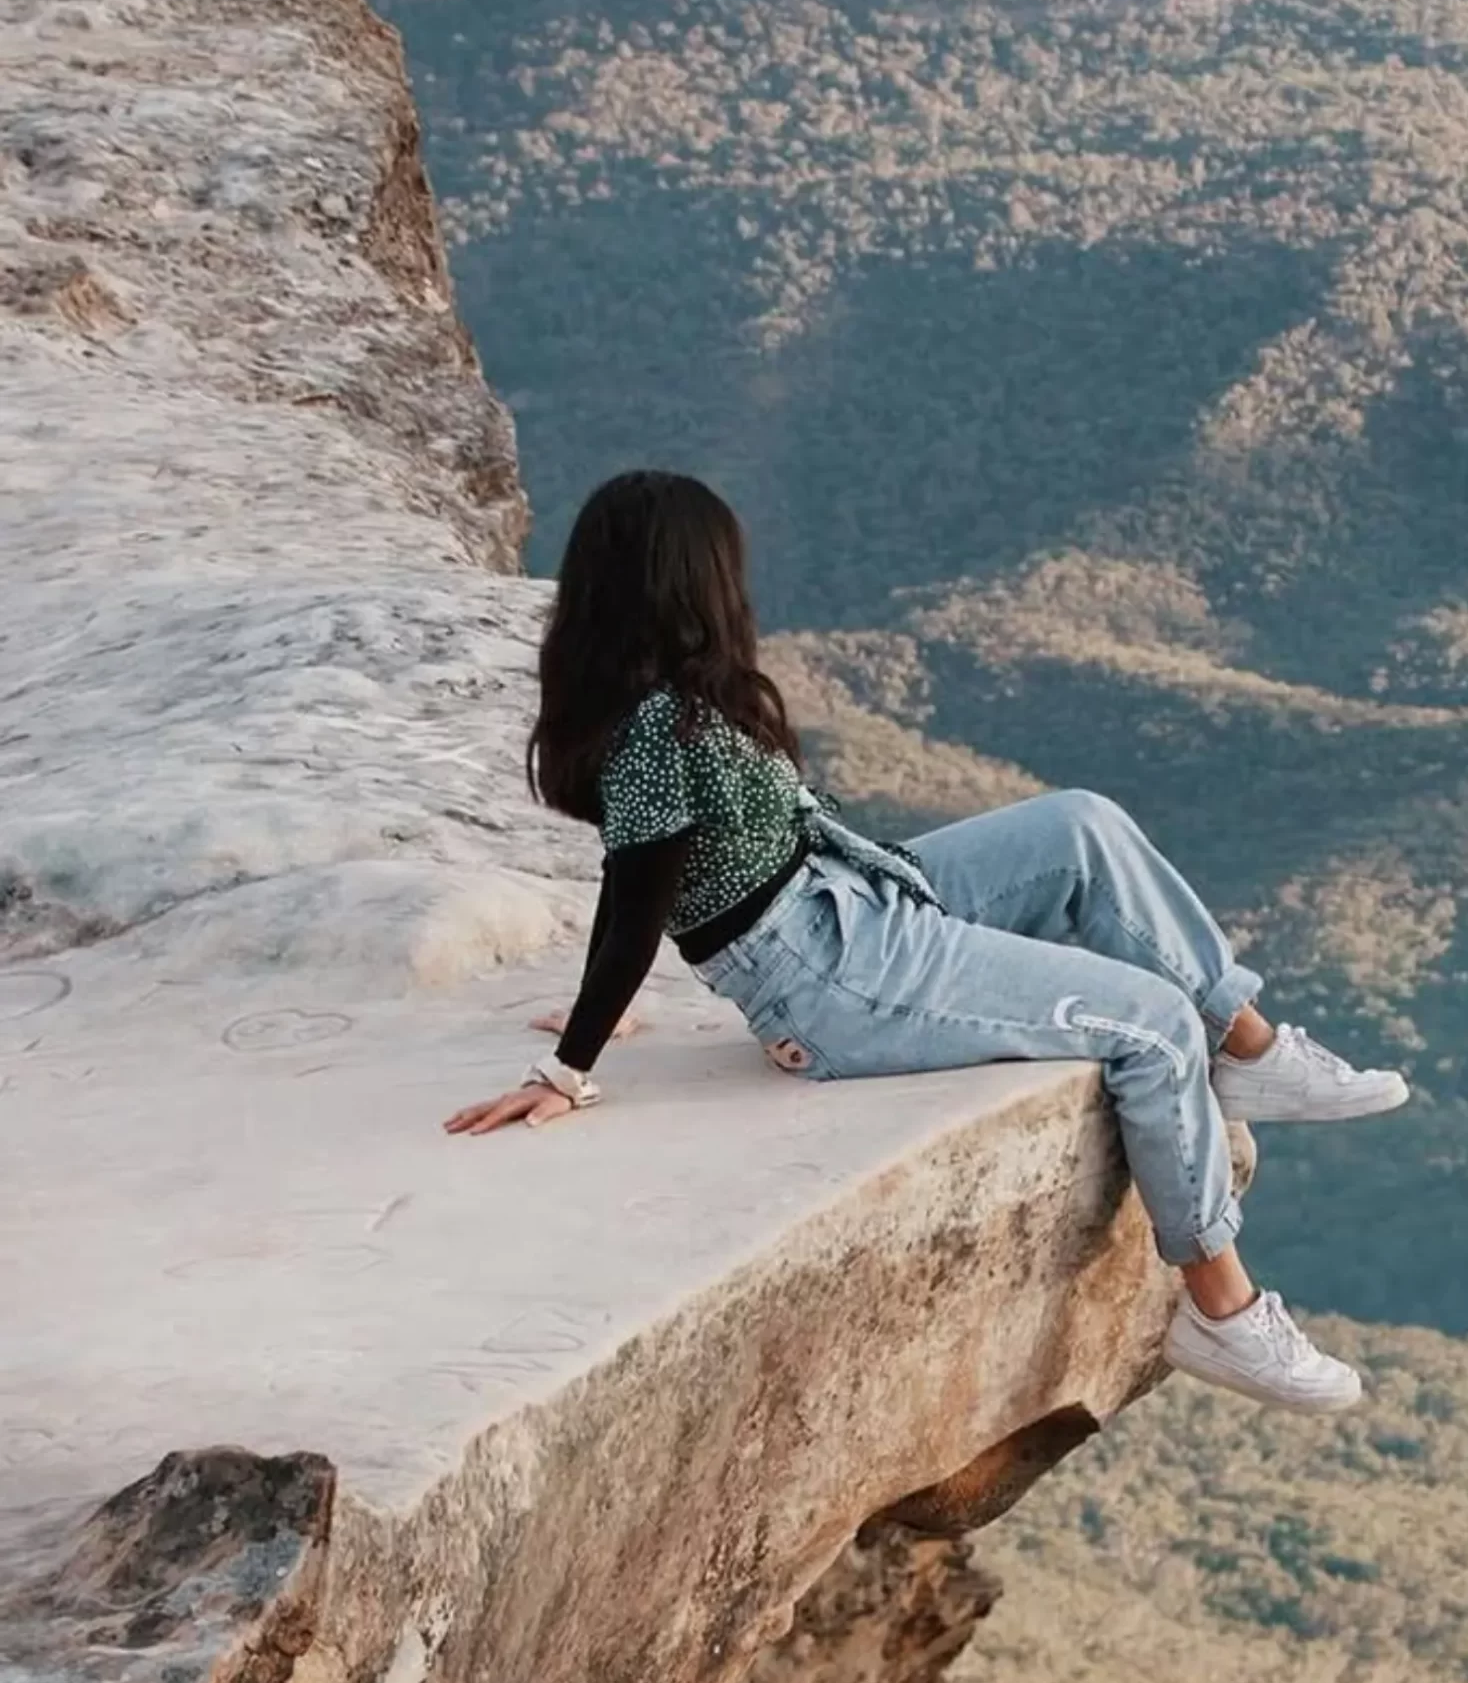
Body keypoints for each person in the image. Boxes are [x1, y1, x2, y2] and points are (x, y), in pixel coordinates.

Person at [445, 471, 1409, 1412]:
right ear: (689, 585)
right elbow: (636, 895)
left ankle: (1251, 1049)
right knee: (1151, 1028)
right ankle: (1221, 1311)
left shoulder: (670, 704)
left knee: (1081, 825)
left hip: (849, 894)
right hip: (831, 974)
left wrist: (595, 1019)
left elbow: (644, 892)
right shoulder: (664, 729)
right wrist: (569, 1064)